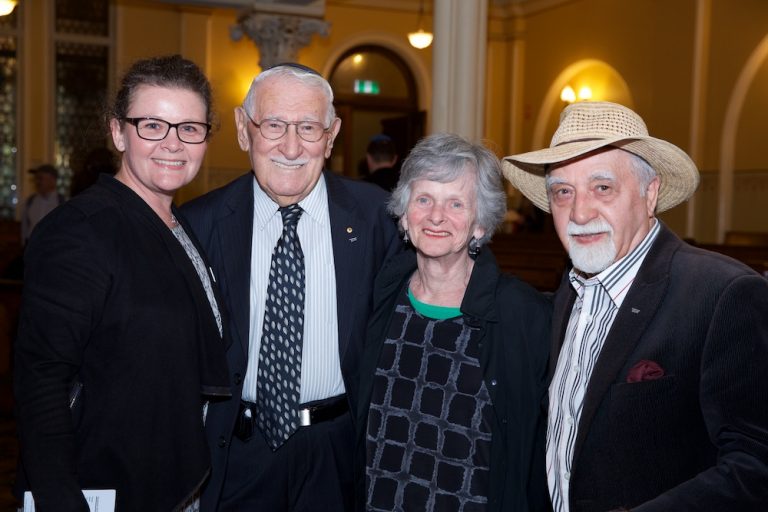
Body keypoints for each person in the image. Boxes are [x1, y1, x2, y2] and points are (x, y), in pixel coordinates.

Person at [502, 101, 768, 512]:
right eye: (562, 192)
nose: (580, 212)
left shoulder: (723, 294)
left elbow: (756, 463)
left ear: (650, 194)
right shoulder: (567, 295)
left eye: (602, 187)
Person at [14, 54, 230, 512]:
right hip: (104, 484)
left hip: (168, 481)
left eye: (189, 128)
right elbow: (42, 381)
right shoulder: (81, 230)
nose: (173, 143)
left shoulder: (176, 224)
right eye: (152, 125)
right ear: (118, 132)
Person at [180, 63, 401, 511]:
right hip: (237, 450)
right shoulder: (199, 225)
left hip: (338, 450)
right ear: (244, 129)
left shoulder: (380, 218)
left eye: (308, 127)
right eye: (274, 125)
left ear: (332, 135)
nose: (292, 146)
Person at [356, 133, 552, 512]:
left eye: (456, 203)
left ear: (479, 224)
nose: (435, 216)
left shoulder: (522, 314)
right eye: (424, 199)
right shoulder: (380, 295)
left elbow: (535, 450)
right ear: (404, 213)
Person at [20, 164, 64, 244]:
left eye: (40, 178)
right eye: (36, 179)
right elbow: (25, 227)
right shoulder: (31, 201)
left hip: (53, 246)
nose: (37, 182)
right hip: (32, 246)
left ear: (52, 180)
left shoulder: (62, 202)